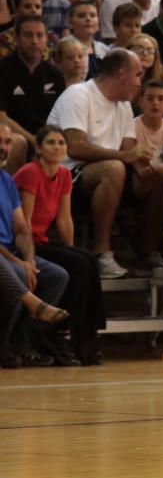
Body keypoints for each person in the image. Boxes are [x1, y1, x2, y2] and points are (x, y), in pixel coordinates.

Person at [47, 49, 163, 276]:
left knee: (162, 174)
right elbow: (75, 146)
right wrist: (126, 157)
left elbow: (128, 148)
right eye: (138, 75)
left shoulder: (123, 104)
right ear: (122, 74)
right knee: (114, 168)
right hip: (67, 175)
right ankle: (103, 252)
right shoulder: (78, 94)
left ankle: (148, 250)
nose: (139, 83)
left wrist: (142, 162)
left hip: (112, 173)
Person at [14, 125, 105, 364]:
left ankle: (86, 339)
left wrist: (71, 249)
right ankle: (57, 332)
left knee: (88, 260)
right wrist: (30, 257)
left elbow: (65, 219)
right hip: (25, 243)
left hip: (43, 240)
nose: (57, 147)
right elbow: (24, 224)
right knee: (76, 265)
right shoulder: (30, 173)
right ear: (39, 148)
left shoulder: (64, 174)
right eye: (51, 143)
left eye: (61, 143)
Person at [0, 122, 70, 366]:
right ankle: (4, 344)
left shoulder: (6, 180)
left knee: (57, 275)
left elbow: (21, 227)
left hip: (11, 251)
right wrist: (19, 262)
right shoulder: (28, 173)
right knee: (19, 273)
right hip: (4, 256)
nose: (3, 148)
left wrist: (29, 258)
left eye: (7, 143)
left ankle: (23, 343)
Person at [0, 16, 66, 170]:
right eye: (28, 35)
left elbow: (63, 115)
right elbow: (1, 117)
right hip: (15, 135)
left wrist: (49, 142)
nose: (35, 41)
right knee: (18, 142)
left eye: (40, 35)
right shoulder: (3, 70)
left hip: (46, 138)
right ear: (16, 38)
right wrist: (35, 141)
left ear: (46, 38)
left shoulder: (55, 73)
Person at [67, 0, 108, 78]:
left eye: (93, 15)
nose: (88, 19)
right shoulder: (64, 47)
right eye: (81, 16)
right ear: (70, 23)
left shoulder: (104, 49)